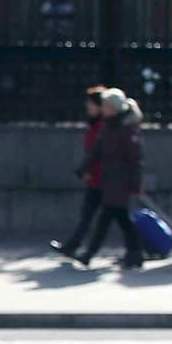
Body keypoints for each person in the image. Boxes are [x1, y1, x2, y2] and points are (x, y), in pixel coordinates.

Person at [70, 88, 146, 270]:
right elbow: (96, 151)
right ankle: (135, 254)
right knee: (122, 219)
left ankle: (89, 254)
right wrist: (83, 168)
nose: (103, 109)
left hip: (120, 181)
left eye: (105, 106)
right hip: (110, 180)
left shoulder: (127, 129)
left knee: (107, 218)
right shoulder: (109, 127)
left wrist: (135, 183)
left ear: (113, 108)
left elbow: (136, 160)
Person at [51, 85, 108, 259]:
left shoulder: (103, 126)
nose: (87, 107)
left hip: (103, 177)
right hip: (96, 176)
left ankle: (132, 250)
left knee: (114, 216)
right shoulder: (96, 125)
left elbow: (98, 152)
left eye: (91, 104)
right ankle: (74, 246)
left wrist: (86, 169)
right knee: (93, 214)